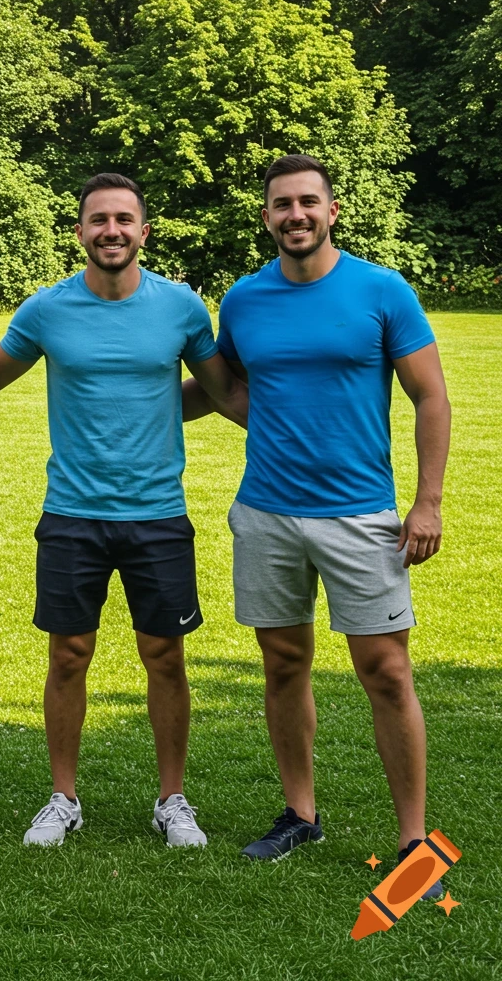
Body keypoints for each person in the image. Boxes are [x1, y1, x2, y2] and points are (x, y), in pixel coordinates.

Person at [209, 154, 450, 886]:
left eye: (308, 202)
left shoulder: (382, 290)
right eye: (281, 205)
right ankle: (300, 815)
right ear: (266, 217)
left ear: (332, 210)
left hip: (362, 517)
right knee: (283, 665)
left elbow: (431, 398)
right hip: (267, 514)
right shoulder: (244, 300)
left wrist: (428, 500)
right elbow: (226, 385)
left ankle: (413, 840)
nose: (295, 215)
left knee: (386, 671)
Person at [0, 173, 248, 847]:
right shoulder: (45, 311)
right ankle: (63, 798)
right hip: (71, 511)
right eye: (98, 220)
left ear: (143, 231)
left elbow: (225, 394)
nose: (111, 230)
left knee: (165, 656)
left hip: (158, 511)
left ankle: (173, 800)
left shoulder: (183, 309)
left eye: (123, 219)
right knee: (69, 655)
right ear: (79, 231)